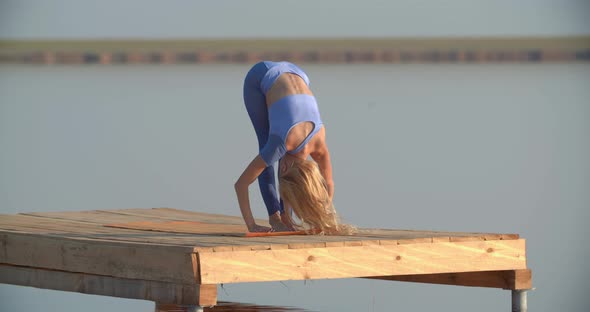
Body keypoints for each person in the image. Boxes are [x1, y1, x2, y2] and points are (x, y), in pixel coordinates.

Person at [235, 61, 353, 235]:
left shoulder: (318, 144)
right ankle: (276, 217)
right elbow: (241, 184)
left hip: (297, 73)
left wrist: (326, 219)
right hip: (260, 75)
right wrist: (251, 226)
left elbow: (328, 183)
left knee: (272, 157)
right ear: (283, 167)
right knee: (265, 144)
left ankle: (285, 218)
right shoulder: (282, 143)